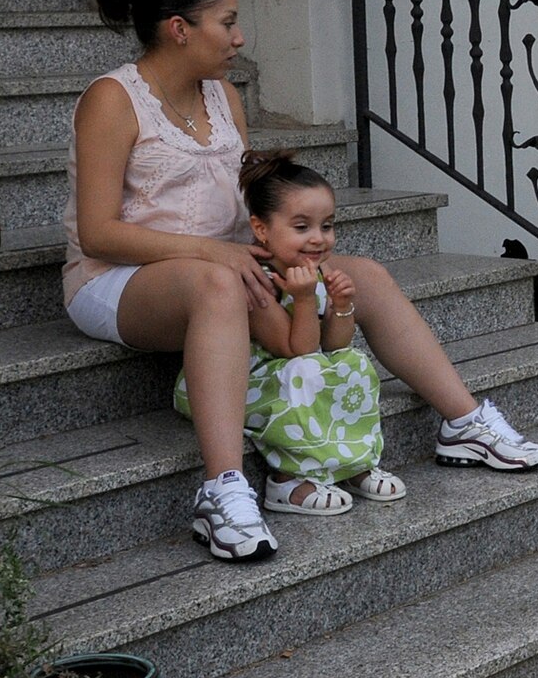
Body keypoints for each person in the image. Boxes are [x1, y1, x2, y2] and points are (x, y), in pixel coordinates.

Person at [65, 0, 538, 563]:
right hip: (118, 280)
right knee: (217, 286)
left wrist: (283, 251)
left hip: (224, 262)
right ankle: (222, 491)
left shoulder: (220, 98)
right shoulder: (113, 99)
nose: (240, 38)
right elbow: (97, 233)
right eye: (228, 22)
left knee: (363, 274)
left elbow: (244, 206)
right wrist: (221, 255)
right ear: (179, 28)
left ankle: (465, 423)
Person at [173, 150, 407, 517]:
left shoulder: (312, 272)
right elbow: (296, 349)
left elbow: (333, 344)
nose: (318, 239)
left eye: (326, 226)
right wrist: (301, 299)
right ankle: (288, 479)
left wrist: (342, 305)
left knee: (354, 363)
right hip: (246, 382)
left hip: (291, 372)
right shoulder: (258, 282)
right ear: (262, 229)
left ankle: (352, 462)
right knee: (307, 372)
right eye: (302, 228)